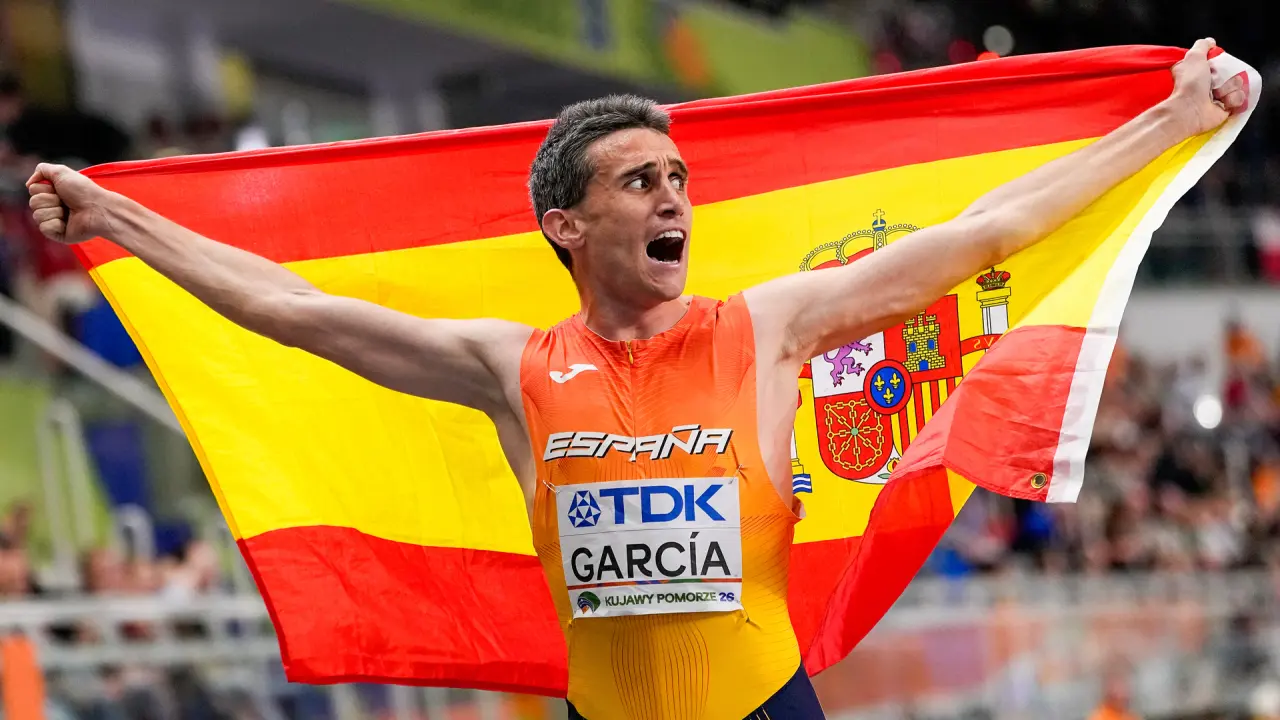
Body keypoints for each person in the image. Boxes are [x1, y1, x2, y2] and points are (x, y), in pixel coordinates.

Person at [24, 39, 1247, 720]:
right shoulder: (506, 365)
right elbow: (290, 311)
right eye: (638, 182)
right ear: (564, 223)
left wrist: (1169, 122)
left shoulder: (769, 327)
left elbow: (984, 234)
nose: (674, 199)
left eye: (678, 180)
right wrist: (119, 219)